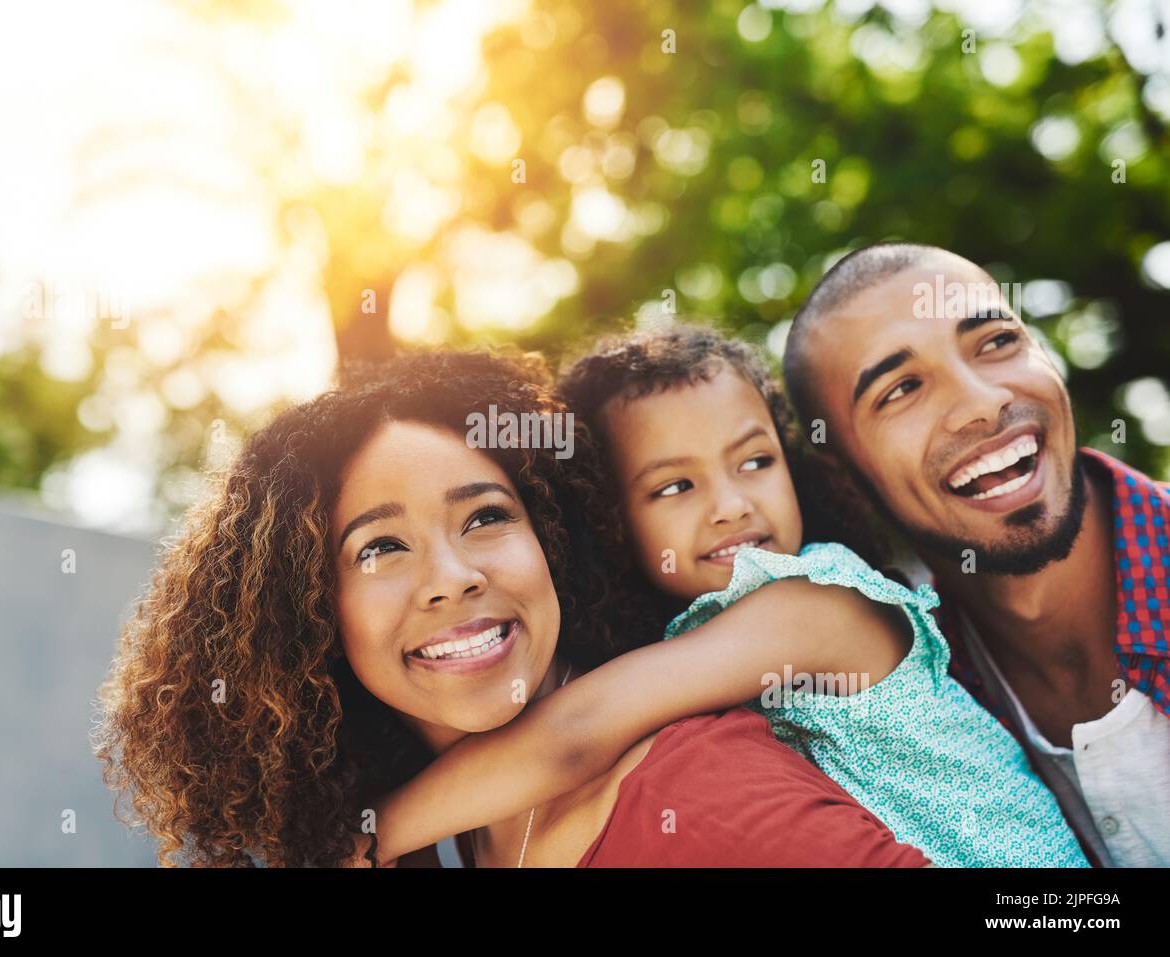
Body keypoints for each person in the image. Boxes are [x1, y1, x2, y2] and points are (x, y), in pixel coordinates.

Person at [92, 349, 929, 867]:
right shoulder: (477, 828)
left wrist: (366, 835)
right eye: (381, 546)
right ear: (306, 614)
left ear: (557, 540)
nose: (451, 576)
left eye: (486, 516)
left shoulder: (696, 787)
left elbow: (572, 737)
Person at [364, 326, 1085, 868]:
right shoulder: (700, 631)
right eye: (675, 486)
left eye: (755, 460)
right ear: (611, 521)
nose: (733, 503)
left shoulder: (814, 598)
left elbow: (573, 734)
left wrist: (365, 836)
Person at [780, 241, 1170, 867]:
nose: (983, 402)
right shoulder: (911, 717)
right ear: (844, 477)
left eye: (995, 342)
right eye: (902, 389)